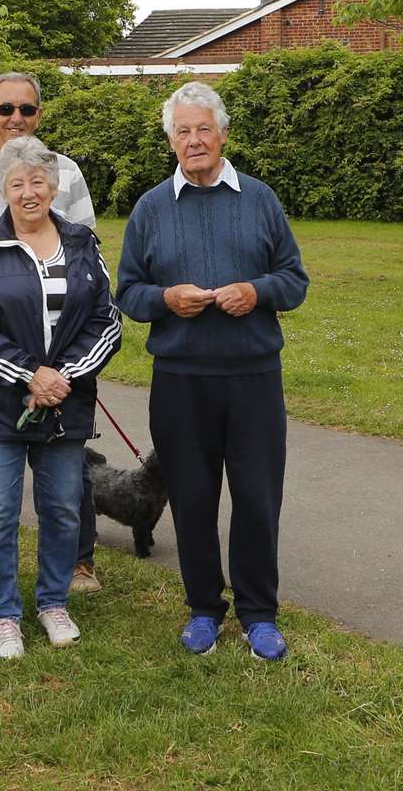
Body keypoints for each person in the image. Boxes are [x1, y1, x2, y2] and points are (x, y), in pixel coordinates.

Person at [115, 81, 308, 661]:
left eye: (204, 129)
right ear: (170, 139)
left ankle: (258, 613)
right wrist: (165, 300)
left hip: (252, 376)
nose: (194, 140)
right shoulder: (151, 208)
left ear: (223, 134)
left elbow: (294, 281)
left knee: (256, 497)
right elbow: (128, 289)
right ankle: (203, 608)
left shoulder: (260, 200)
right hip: (180, 379)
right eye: (183, 131)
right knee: (193, 497)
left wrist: (258, 290)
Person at [0, 137, 121, 659]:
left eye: (37, 182)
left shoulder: (82, 244)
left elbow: (105, 319)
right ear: (3, 189)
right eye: (17, 183)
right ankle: (4, 615)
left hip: (65, 400)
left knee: (63, 508)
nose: (28, 193)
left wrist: (62, 375)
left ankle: (52, 602)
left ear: (54, 186)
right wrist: (28, 376)